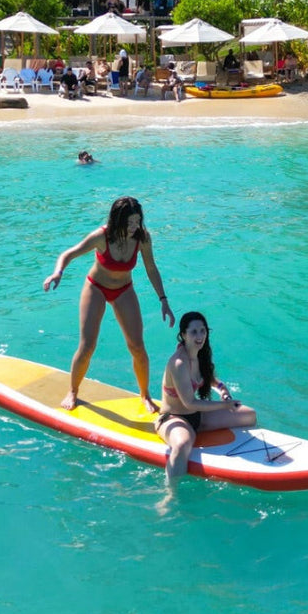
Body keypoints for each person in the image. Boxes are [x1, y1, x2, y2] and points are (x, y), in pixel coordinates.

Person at [43, 196, 174, 413]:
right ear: (118, 220)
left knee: (138, 347)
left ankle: (145, 395)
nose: (134, 227)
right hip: (96, 288)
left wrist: (164, 300)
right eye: (130, 222)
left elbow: (151, 268)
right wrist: (58, 273)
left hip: (124, 290)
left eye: (137, 221)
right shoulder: (101, 236)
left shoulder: (142, 238)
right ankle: (73, 391)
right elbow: (69, 254)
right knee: (87, 346)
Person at [157, 311, 257, 487]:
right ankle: (169, 496)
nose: (200, 336)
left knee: (249, 415)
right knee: (181, 446)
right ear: (183, 335)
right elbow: (190, 402)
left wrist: (223, 391)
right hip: (173, 419)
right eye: (194, 332)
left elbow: (212, 379)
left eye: (203, 331)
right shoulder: (179, 363)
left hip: (198, 417)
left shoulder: (199, 355)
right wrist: (224, 405)